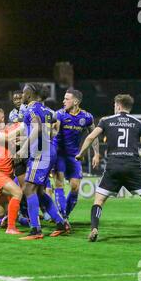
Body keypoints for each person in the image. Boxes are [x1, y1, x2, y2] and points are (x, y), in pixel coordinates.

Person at [75, 94, 141, 242]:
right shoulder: (138, 123)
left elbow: (90, 137)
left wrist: (81, 154)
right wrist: (138, 154)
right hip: (133, 166)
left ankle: (94, 228)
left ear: (118, 106)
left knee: (98, 201)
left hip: (113, 166)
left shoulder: (106, 121)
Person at [16, 83, 69, 240]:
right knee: (38, 191)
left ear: (30, 94)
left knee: (28, 190)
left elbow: (38, 128)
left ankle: (36, 230)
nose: (22, 95)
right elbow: (53, 129)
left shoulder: (31, 109)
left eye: (24, 92)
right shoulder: (48, 111)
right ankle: (61, 223)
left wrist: (24, 147)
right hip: (48, 152)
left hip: (40, 154)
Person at [54, 88, 100, 220]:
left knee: (75, 187)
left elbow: (94, 135)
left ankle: (64, 216)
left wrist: (96, 153)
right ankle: (61, 218)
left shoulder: (86, 117)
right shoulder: (59, 115)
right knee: (59, 184)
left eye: (66, 99)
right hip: (59, 154)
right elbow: (54, 132)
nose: (63, 101)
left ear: (75, 102)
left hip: (74, 156)